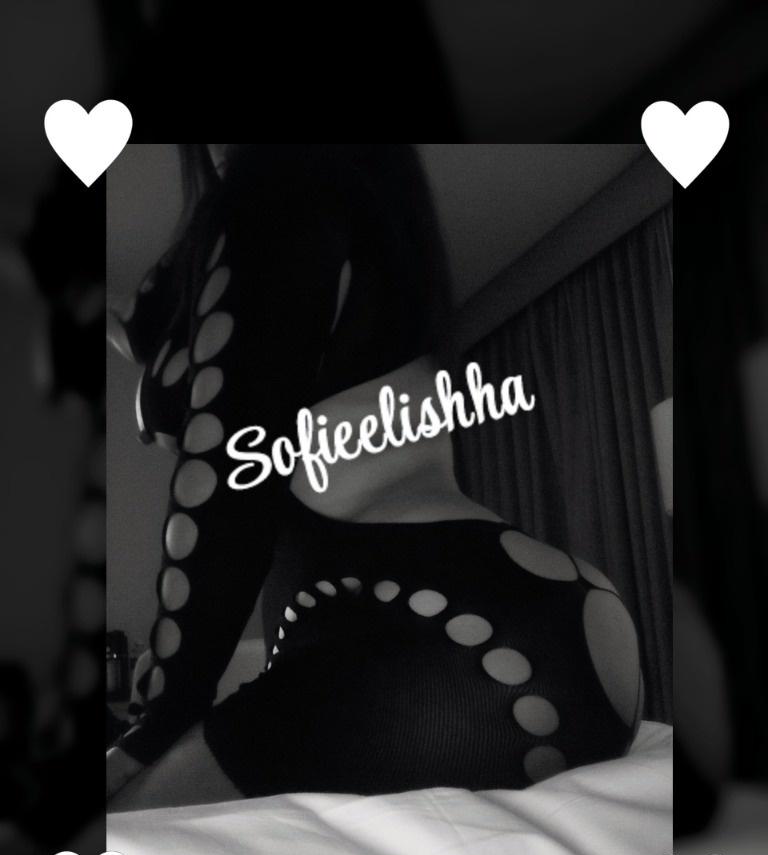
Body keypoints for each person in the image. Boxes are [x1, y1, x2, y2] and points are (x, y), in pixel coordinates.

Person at [107, 144, 642, 809]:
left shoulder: (274, 190)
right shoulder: (344, 212)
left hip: (437, 633)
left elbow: (223, 487)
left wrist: (155, 718)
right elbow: (147, 322)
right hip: (523, 619)